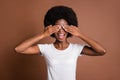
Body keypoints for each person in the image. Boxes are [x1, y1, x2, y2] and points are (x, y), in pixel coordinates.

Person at [15, 5, 106, 80]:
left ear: (70, 29)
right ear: (52, 29)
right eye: (57, 27)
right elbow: (18, 49)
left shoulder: (76, 49)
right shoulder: (46, 49)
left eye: (64, 27)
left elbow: (102, 51)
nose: (61, 31)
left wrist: (79, 34)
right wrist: (44, 34)